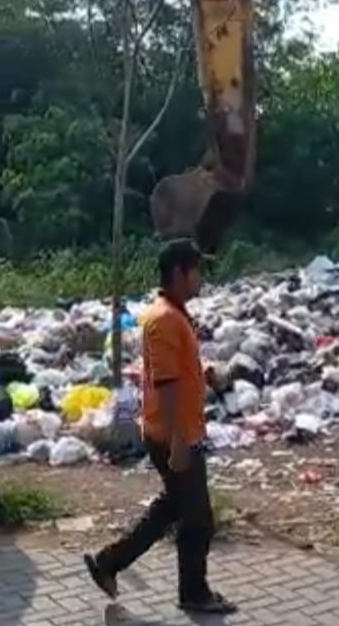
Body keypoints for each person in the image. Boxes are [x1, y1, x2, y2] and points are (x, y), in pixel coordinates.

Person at [83, 239, 237, 615]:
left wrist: (204, 376)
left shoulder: (172, 314)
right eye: (197, 269)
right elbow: (166, 384)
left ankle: (108, 563)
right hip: (174, 434)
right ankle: (194, 594)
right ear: (180, 273)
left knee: (171, 508)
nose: (201, 277)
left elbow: (174, 372)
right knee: (198, 519)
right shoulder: (164, 319)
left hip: (176, 430)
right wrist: (179, 442)